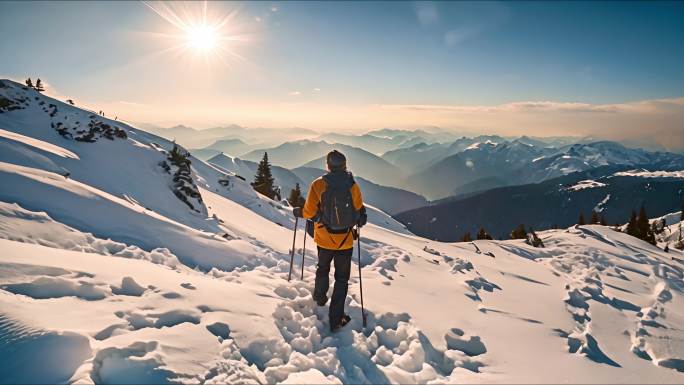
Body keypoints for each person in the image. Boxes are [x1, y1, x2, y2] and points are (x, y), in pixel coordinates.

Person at [293, 150, 367, 332]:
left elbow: (309, 212)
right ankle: (336, 319)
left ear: (328, 165)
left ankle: (320, 298)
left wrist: (298, 212)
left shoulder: (318, 184)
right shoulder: (352, 185)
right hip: (346, 240)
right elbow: (359, 212)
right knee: (342, 279)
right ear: (344, 165)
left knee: (323, 267)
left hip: (324, 239)